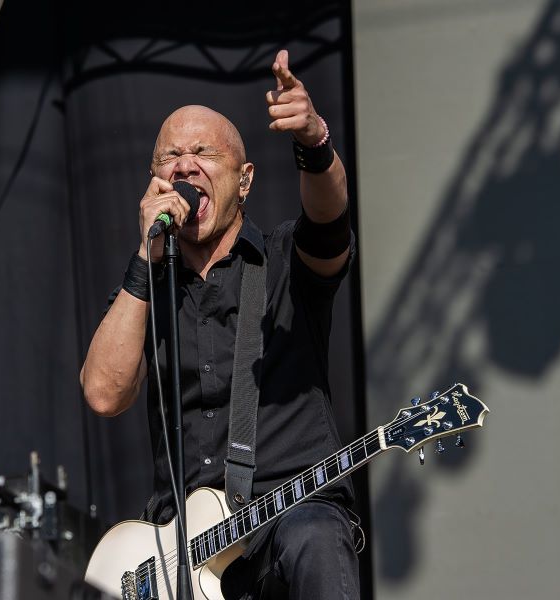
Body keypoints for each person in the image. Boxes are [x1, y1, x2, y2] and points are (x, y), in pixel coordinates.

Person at [80, 49, 360, 599]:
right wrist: (144, 256)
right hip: (185, 545)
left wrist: (314, 142)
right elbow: (103, 394)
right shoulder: (149, 288)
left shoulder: (283, 260)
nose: (184, 166)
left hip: (288, 515)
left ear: (244, 179)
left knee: (316, 536)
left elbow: (329, 220)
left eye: (203, 152)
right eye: (169, 157)